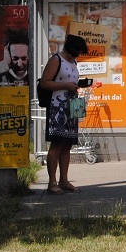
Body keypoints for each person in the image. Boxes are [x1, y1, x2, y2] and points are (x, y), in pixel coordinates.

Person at [40, 33, 89, 194]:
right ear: (71, 48)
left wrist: (76, 85)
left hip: (71, 106)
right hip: (57, 107)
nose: (79, 55)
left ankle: (64, 180)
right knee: (56, 144)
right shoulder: (56, 60)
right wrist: (66, 85)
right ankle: (52, 182)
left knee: (67, 145)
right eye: (78, 51)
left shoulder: (73, 62)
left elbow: (70, 81)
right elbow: (45, 83)